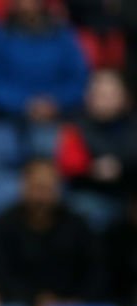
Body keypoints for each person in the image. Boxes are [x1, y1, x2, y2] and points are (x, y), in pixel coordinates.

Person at [0, 158, 101, 306]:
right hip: (20, 305)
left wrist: (76, 301)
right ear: (23, 187)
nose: (41, 198)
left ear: (58, 189)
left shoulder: (77, 226)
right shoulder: (4, 225)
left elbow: (95, 271)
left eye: (47, 189)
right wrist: (34, 300)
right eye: (36, 188)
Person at [0, 0, 88, 122]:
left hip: (58, 115)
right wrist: (23, 103)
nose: (28, 6)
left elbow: (78, 79)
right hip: (6, 116)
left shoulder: (63, 36)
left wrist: (55, 102)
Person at [56, 69, 137, 222]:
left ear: (125, 97)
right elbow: (69, 166)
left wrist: (121, 167)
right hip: (90, 193)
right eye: (99, 94)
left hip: (129, 192)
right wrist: (91, 170)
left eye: (110, 95)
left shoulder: (133, 124)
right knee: (84, 208)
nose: (103, 100)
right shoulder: (74, 126)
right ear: (87, 97)